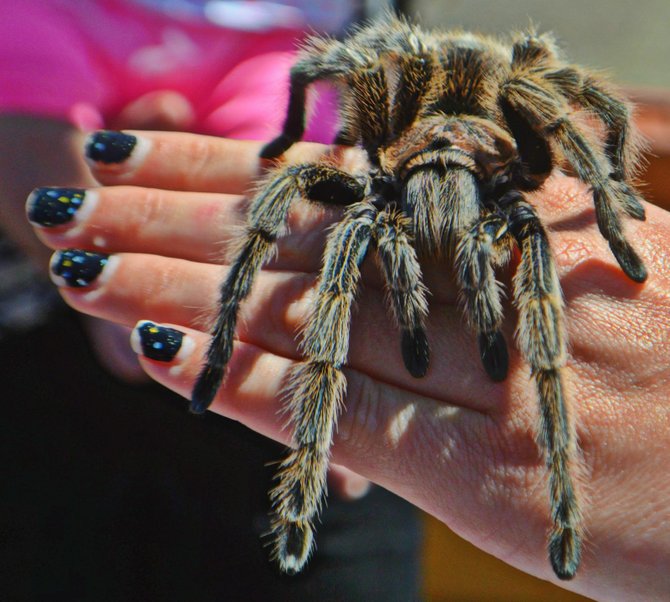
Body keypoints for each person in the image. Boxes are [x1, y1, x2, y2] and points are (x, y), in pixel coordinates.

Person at [28, 130, 670, 601]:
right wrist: (227, 328)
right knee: (334, 288)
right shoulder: (374, 183)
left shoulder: (517, 198)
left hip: (481, 176)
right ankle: (298, 490)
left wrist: (610, 212)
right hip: (57, 379)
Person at [2, 1, 421, 600]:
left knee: (285, 172)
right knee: (30, 112)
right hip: (57, 16)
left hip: (273, 27)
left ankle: (288, 341)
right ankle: (111, 284)